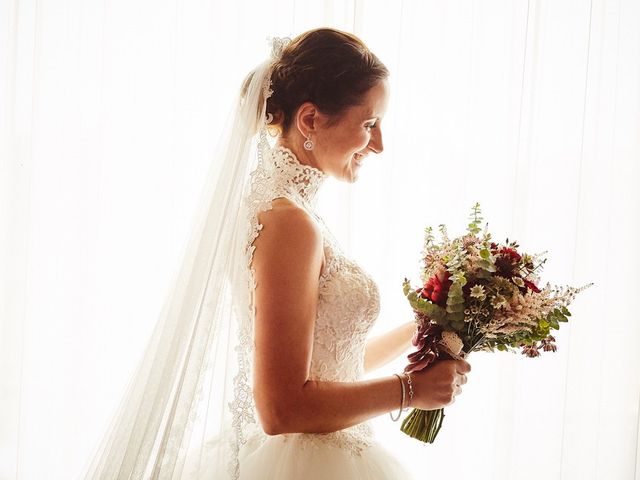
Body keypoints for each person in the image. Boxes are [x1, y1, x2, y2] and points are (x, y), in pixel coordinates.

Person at [81, 27, 471, 480]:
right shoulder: (289, 223)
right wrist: (408, 391)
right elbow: (282, 408)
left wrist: (427, 325)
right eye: (369, 124)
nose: (379, 144)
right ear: (309, 120)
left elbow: (332, 363)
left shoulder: (285, 208)